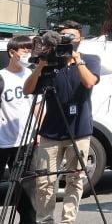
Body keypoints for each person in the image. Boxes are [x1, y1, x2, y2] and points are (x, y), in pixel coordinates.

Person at [23, 21, 100, 224]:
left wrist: (77, 59)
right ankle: (45, 220)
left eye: (72, 37)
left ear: (80, 39)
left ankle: (68, 220)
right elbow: (28, 90)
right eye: (63, 36)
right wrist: (41, 63)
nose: (68, 40)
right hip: (51, 132)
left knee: (75, 179)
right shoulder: (50, 62)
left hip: (80, 131)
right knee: (44, 181)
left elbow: (89, 82)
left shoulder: (90, 60)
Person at [0, 35, 37, 224]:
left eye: (30, 50)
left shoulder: (33, 74)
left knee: (28, 191)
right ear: (12, 53)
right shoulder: (2, 76)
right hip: (3, 140)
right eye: (24, 50)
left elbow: (38, 105)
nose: (28, 54)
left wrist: (39, 131)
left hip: (26, 141)